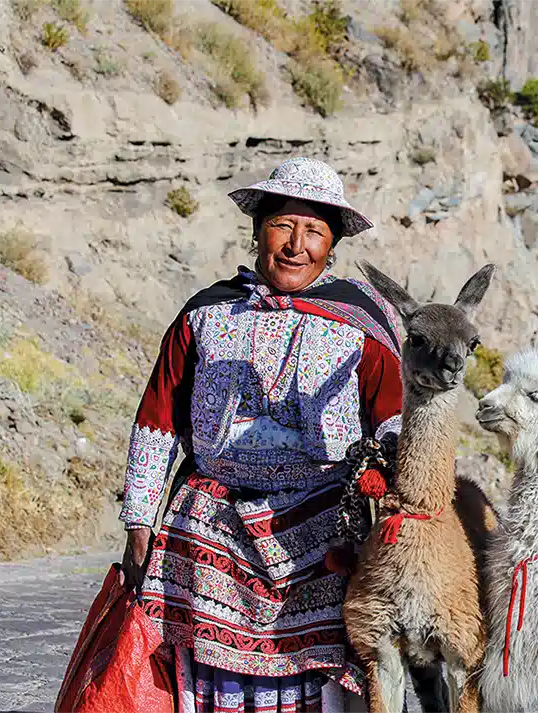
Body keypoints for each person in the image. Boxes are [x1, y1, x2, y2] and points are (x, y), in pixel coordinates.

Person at [118, 157, 403, 713]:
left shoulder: (360, 322)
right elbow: (158, 420)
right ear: (256, 231)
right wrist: (138, 522)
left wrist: (392, 511)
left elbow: (394, 421)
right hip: (210, 528)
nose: (297, 244)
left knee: (316, 677)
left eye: (315, 231)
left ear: (332, 245)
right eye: (283, 225)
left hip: (323, 534)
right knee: (208, 676)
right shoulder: (205, 314)